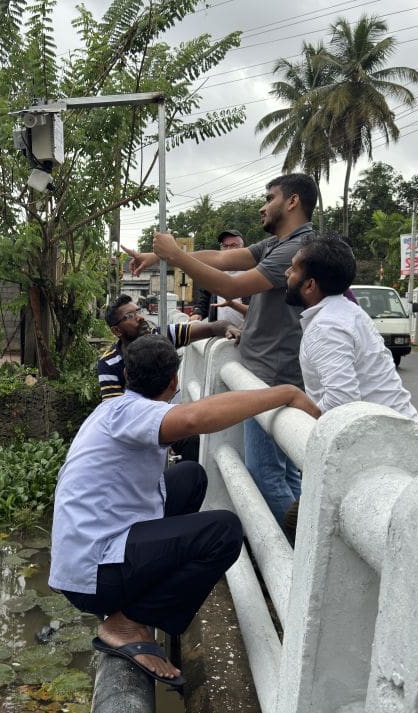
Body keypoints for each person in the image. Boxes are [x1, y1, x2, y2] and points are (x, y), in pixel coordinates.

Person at [50, 334, 320, 686]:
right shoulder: (135, 412)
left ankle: (146, 593)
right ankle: (127, 621)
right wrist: (285, 393)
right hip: (93, 574)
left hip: (90, 553)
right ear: (174, 382)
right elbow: (192, 420)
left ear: (128, 377)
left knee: (191, 476)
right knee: (224, 531)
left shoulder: (114, 407)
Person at [124, 173, 318, 528]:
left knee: (267, 475)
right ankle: (299, 551)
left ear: (292, 202)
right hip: (263, 370)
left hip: (271, 375)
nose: (263, 205)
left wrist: (177, 256)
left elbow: (231, 284)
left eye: (270, 197)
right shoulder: (277, 244)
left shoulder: (296, 250)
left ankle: (296, 557)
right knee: (286, 474)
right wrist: (158, 256)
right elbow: (222, 259)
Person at [283, 236, 418, 425]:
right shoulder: (347, 311)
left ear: (310, 285)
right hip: (396, 434)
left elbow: (341, 401)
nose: (287, 272)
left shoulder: (326, 326)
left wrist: (295, 418)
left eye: (293, 269)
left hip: (381, 445)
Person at [97, 294, 237, 401]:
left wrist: (228, 327)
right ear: (117, 331)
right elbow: (114, 409)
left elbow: (210, 328)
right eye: (130, 316)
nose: (140, 317)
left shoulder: (162, 335)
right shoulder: (108, 363)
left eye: (138, 311)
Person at [190, 230, 249, 328]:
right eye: (225, 246)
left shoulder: (253, 272)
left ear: (243, 247)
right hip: (219, 333)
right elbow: (204, 297)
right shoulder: (214, 272)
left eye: (233, 245)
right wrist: (198, 313)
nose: (229, 250)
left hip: (246, 333)